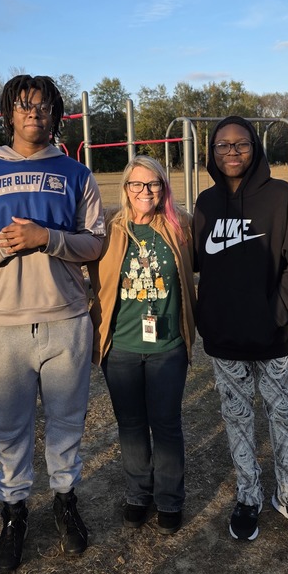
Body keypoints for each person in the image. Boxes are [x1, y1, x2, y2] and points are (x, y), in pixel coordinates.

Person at [0, 74, 105, 572]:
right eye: (23, 107)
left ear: (55, 115)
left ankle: (65, 502)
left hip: (66, 320)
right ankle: (14, 513)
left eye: (42, 107)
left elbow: (95, 243)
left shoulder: (77, 174)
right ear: (8, 113)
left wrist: (47, 238)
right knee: (10, 428)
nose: (33, 115)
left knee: (66, 423)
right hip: (7, 325)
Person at [192, 116, 288, 542]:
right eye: (222, 145)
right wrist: (206, 316)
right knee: (236, 417)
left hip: (274, 337)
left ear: (255, 148)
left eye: (240, 144)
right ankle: (248, 497)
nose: (232, 152)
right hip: (225, 339)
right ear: (211, 152)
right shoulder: (206, 203)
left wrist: (276, 315)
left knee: (283, 415)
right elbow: (196, 264)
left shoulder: (280, 196)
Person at [89, 156, 196, 535]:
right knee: (131, 425)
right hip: (121, 347)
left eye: (153, 184)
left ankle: (169, 499)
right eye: (137, 184)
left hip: (168, 345)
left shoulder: (180, 225)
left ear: (164, 187)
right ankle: (138, 493)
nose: (145, 191)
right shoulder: (108, 229)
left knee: (166, 424)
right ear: (126, 188)